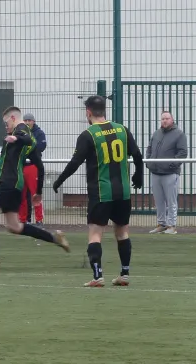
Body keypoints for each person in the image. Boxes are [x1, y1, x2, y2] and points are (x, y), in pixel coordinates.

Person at [53, 96, 143, 287]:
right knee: (122, 232)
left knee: (95, 234)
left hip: (101, 192)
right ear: (104, 110)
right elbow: (137, 154)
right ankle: (124, 273)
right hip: (123, 192)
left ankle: (97, 276)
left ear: (88, 112)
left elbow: (75, 163)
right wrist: (138, 176)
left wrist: (59, 180)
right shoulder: (122, 129)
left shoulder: (88, 135)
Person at [0, 106, 69, 270]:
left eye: (6, 123)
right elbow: (39, 167)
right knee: (15, 226)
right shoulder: (27, 140)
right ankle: (54, 238)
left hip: (9, 183)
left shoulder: (21, 131)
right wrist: (38, 191)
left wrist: (16, 139)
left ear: (13, 118)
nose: (6, 127)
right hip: (15, 185)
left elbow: (25, 138)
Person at [146, 111, 188, 234]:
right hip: (155, 172)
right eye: (163, 118)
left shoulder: (179, 134)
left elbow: (182, 153)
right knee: (158, 201)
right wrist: (149, 163)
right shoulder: (156, 134)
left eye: (167, 118)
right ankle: (161, 224)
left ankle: (171, 226)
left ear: (172, 120)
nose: (164, 120)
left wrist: (170, 165)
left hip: (170, 173)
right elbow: (149, 149)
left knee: (171, 201)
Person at [19, 113, 47, 226]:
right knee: (21, 194)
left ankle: (39, 220)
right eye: (25, 120)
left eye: (29, 120)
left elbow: (41, 147)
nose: (27, 122)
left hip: (33, 166)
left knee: (36, 194)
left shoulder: (39, 133)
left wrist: (27, 149)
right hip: (21, 166)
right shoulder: (20, 132)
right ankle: (22, 219)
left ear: (33, 121)